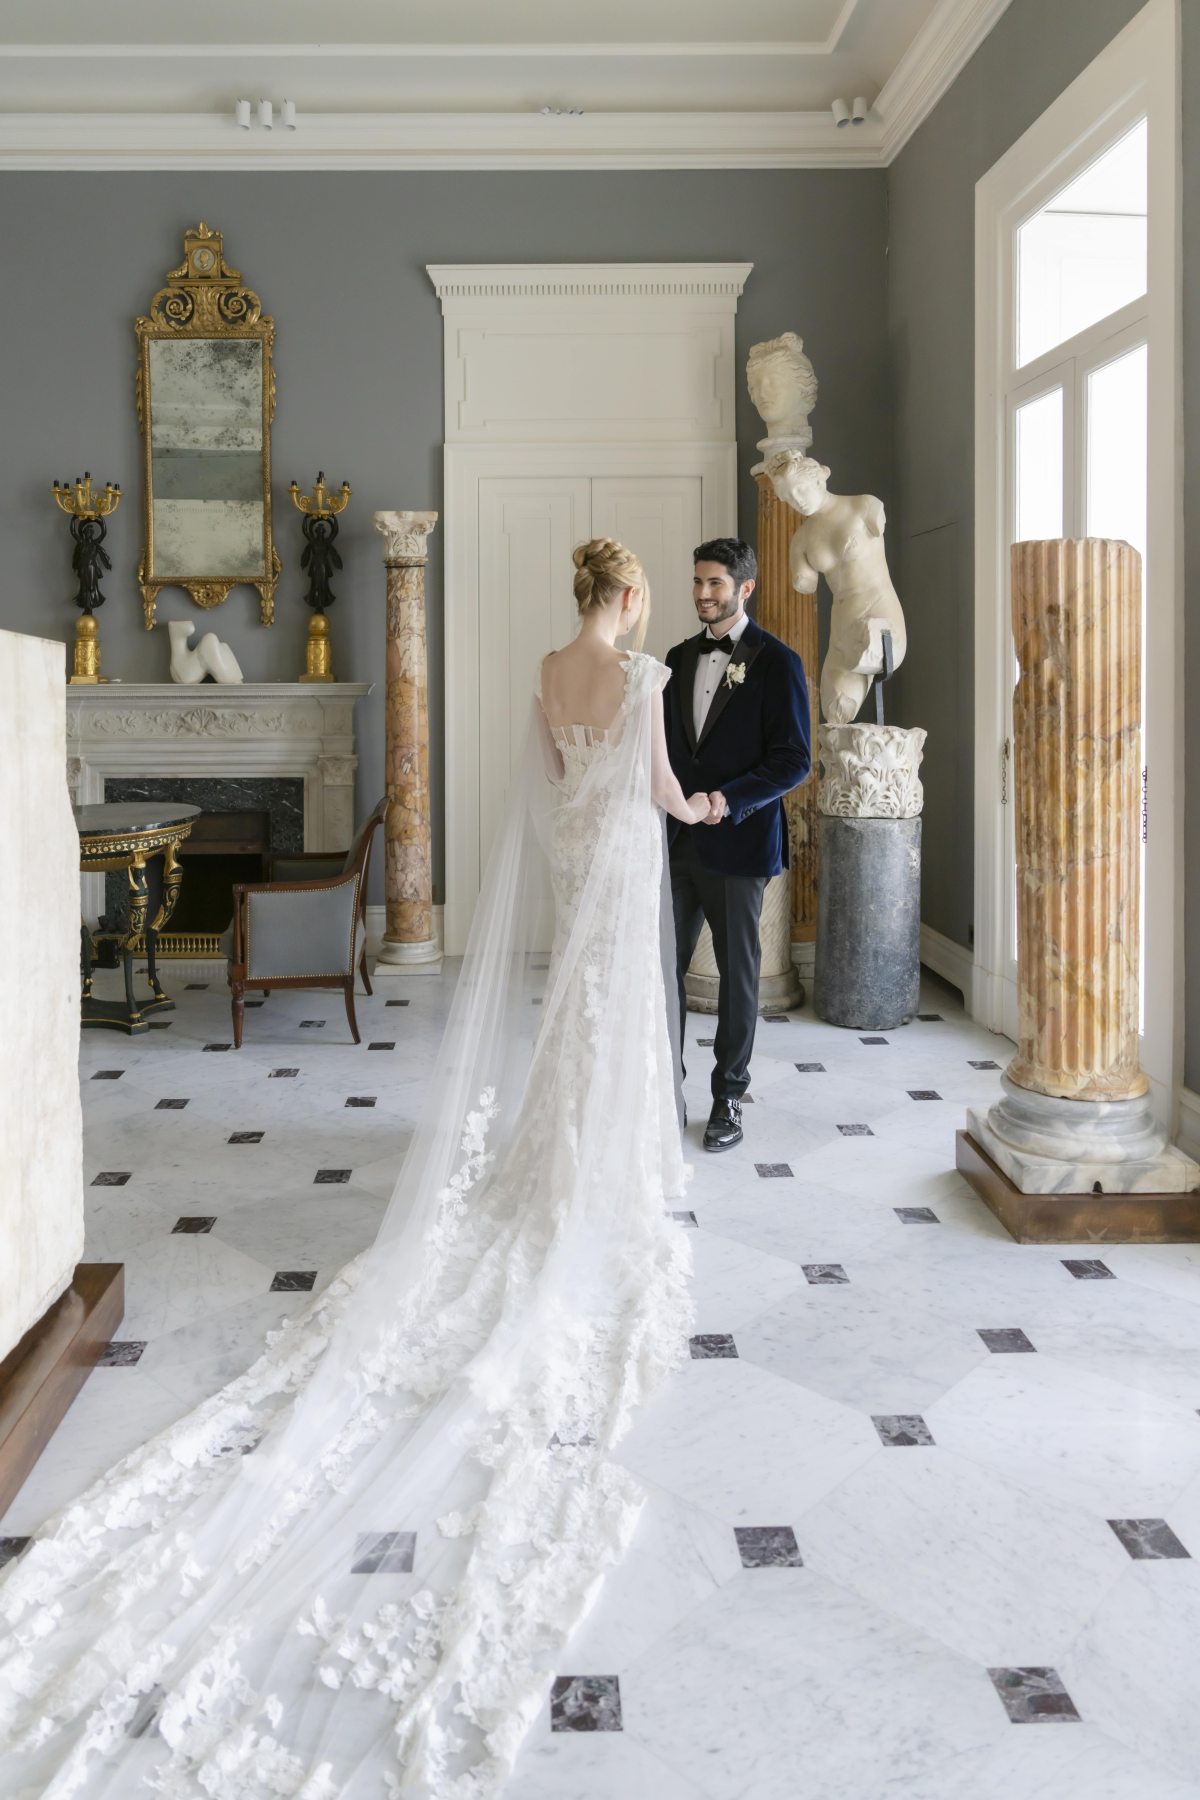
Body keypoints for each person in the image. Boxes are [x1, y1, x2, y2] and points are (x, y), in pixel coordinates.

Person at [0, 540, 711, 1800]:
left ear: (578, 595)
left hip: (573, 869)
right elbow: (653, 787)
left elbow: (555, 785)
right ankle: (604, 1172)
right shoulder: (645, 676)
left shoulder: (549, 670)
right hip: (622, 868)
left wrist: (597, 824)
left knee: (577, 1013)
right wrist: (701, 811)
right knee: (616, 1020)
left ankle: (559, 1162)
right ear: (632, 596)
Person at [664, 538, 812, 1151]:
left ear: (744, 588)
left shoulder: (778, 662)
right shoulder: (676, 657)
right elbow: (669, 752)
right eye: (698, 581)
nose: (703, 593)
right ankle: (664, 1090)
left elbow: (794, 760)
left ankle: (728, 1097)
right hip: (675, 841)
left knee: (739, 976)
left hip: (740, 842)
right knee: (662, 969)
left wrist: (727, 799)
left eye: (716, 583)